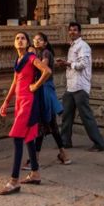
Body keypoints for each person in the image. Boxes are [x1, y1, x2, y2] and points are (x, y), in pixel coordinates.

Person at [0, 31, 52, 195]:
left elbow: (47, 71)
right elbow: (15, 81)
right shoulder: (19, 60)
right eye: (17, 38)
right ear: (14, 44)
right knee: (28, 137)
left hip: (28, 101)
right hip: (20, 101)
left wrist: (35, 86)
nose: (19, 40)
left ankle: (14, 181)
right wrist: (6, 101)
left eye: (23, 38)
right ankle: (35, 173)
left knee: (17, 137)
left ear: (28, 43)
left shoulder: (30, 57)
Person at [55, 22, 104, 152]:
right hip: (71, 86)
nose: (72, 32)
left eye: (75, 30)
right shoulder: (72, 47)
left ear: (80, 32)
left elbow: (82, 64)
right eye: (70, 30)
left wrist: (67, 63)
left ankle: (99, 143)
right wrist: (67, 63)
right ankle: (65, 141)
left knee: (86, 116)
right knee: (67, 114)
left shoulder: (83, 46)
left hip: (80, 86)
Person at [30, 32, 71, 165]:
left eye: (40, 40)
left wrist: (35, 84)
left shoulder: (46, 53)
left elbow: (45, 70)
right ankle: (64, 154)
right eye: (35, 40)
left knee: (43, 123)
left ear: (45, 43)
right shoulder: (39, 54)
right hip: (45, 89)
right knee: (51, 124)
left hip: (44, 90)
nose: (37, 42)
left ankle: (35, 158)